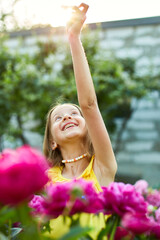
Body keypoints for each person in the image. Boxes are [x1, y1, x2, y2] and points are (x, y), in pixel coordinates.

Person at [43, 3, 117, 239]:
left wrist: (73, 37)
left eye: (74, 114)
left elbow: (89, 105)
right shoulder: (43, 182)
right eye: (58, 117)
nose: (67, 116)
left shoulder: (102, 169)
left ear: (88, 129)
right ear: (52, 141)